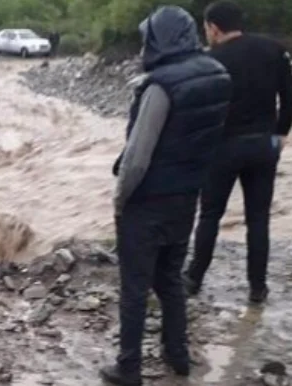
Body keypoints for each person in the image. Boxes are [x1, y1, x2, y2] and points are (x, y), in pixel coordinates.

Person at [100, 6, 232, 385]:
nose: (145, 44)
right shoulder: (217, 74)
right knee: (170, 279)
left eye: (149, 37)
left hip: (149, 201)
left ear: (160, 39)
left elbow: (137, 158)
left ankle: (129, 368)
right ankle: (178, 356)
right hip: (187, 196)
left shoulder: (161, 85)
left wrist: (119, 200)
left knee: (135, 288)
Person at [184, 0, 292, 304]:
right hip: (263, 145)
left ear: (214, 27)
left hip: (223, 147)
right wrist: (281, 133)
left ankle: (193, 279)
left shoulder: (210, 60)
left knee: (210, 215)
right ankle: (257, 288)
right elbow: (289, 96)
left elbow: (200, 109)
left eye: (206, 28)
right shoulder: (275, 50)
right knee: (258, 219)